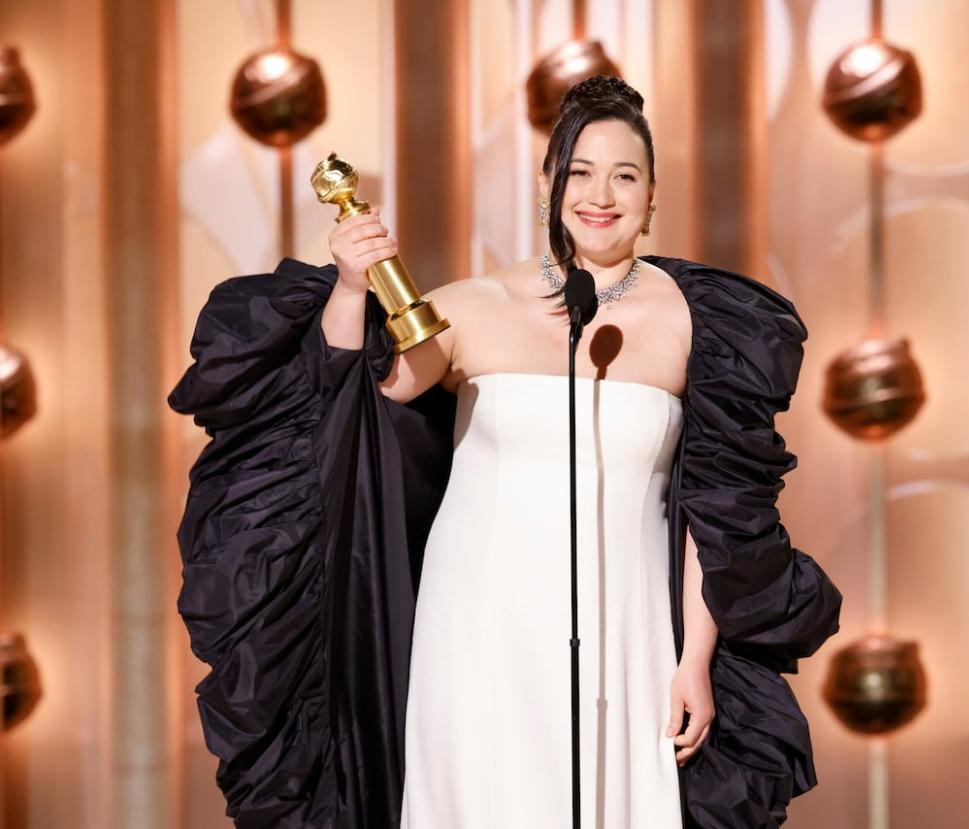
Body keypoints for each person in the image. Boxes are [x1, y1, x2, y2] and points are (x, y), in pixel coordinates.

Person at [170, 76, 841, 829]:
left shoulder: (700, 323)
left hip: (631, 631)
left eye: (626, 175)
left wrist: (694, 661)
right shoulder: (477, 303)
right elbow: (365, 394)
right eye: (580, 172)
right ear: (549, 184)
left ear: (653, 196)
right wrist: (355, 287)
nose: (602, 194)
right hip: (481, 628)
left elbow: (717, 516)